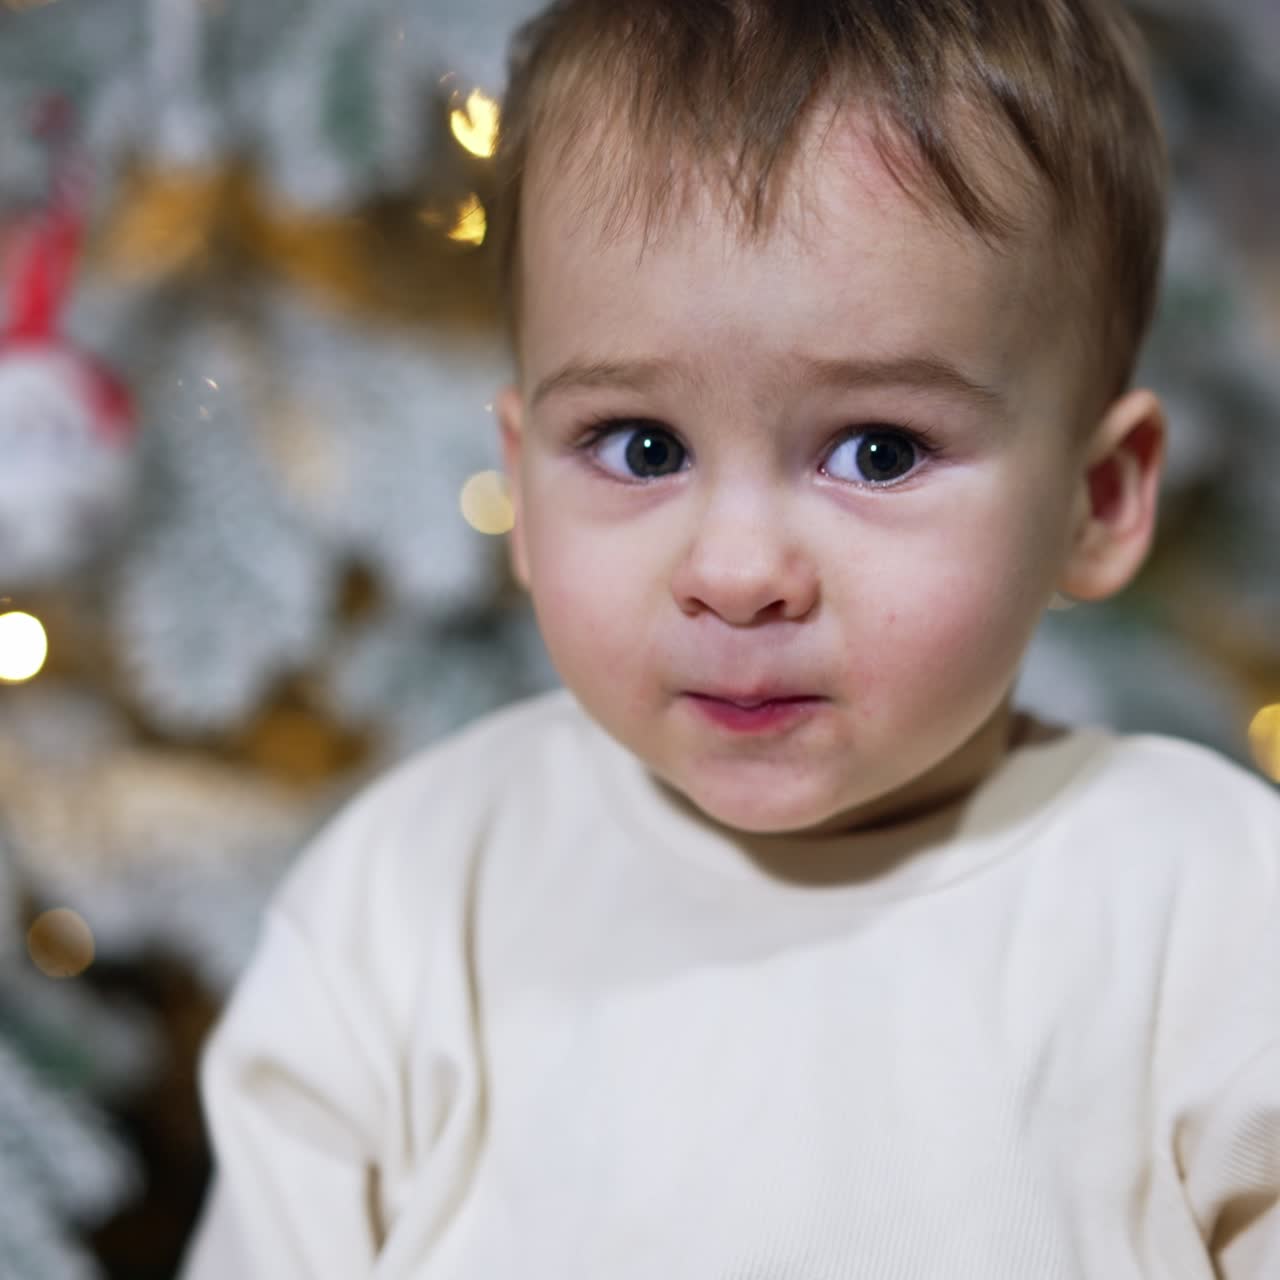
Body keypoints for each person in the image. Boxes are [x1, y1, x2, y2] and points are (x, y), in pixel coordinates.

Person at [178, 1, 1280, 1276]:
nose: (739, 573)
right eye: (641, 446)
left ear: (1096, 498)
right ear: (522, 485)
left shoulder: (1211, 914)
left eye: (878, 450)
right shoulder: (409, 902)